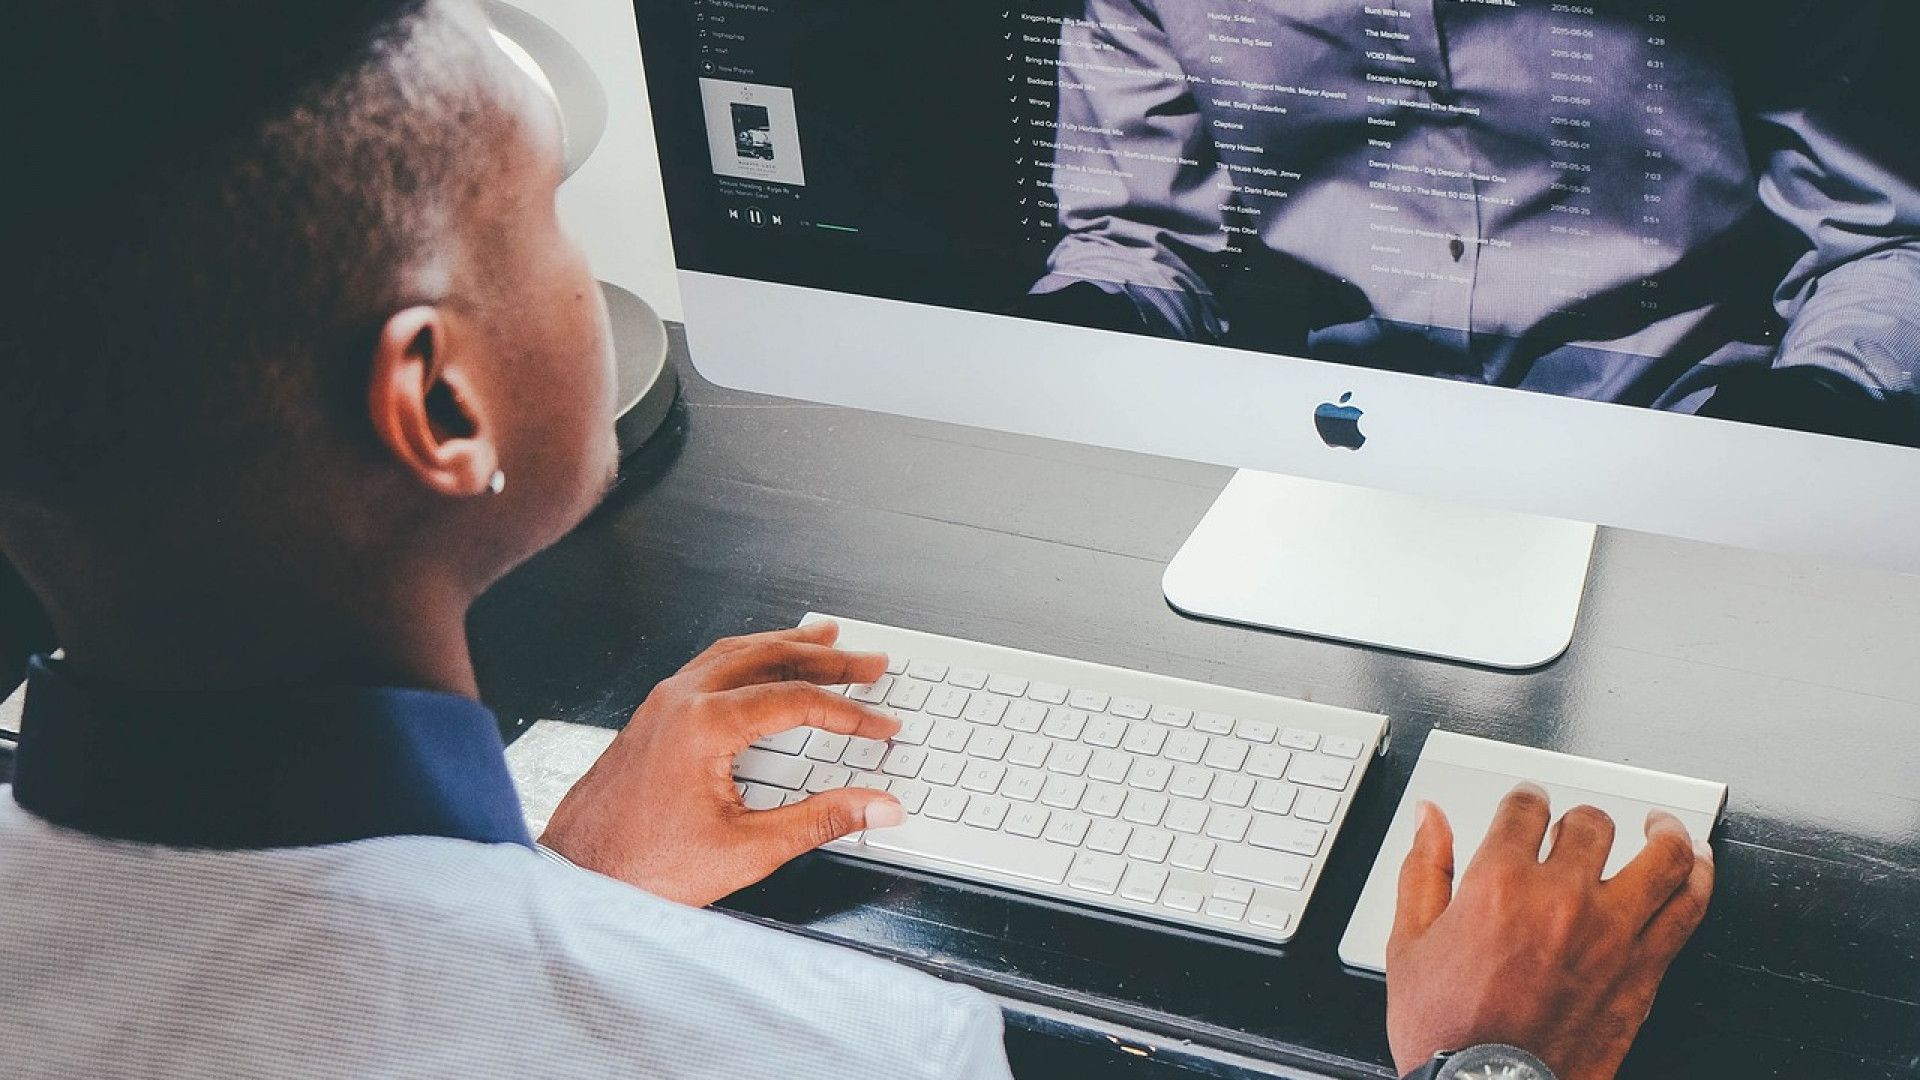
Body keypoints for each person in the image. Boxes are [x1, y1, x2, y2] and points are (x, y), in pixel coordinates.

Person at [0, 3, 1711, 1079]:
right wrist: (1499, 1069)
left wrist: (561, 886)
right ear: (438, 406)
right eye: (538, 220)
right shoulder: (835, 1048)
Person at [1024, 0, 1920, 444]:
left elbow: (1878, 239)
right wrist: (1075, 332)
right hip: (1327, 435)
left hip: (1686, 444)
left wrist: (1818, 407)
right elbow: (1138, 240)